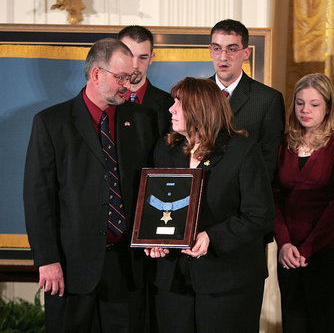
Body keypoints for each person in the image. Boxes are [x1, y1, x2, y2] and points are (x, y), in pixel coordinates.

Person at [23, 38, 160, 332]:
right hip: (71, 269)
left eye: (131, 77)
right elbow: (38, 198)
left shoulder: (142, 120)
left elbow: (152, 187)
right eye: (121, 77)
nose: (128, 84)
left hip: (128, 268)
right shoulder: (51, 123)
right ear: (96, 74)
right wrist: (47, 259)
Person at [146, 77, 274, 333]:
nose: (171, 109)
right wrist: (155, 239)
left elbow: (260, 216)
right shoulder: (166, 149)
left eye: (179, 103)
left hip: (228, 282)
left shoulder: (243, 151)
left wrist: (212, 237)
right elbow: (158, 208)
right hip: (174, 281)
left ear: (200, 108)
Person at [273, 73, 334, 333]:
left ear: (328, 107)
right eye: (300, 103)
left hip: (330, 253)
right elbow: (275, 195)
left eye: (314, 104)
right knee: (294, 324)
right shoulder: (285, 143)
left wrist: (307, 248)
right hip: (289, 254)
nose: (305, 110)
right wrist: (285, 243)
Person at [209, 19, 285, 180]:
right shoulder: (193, 95)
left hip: (243, 198)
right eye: (217, 49)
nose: (223, 57)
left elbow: (268, 162)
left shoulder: (268, 100)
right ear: (210, 51)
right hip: (199, 194)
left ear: (246, 53)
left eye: (232, 49)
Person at [118, 25, 173, 135]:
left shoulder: (170, 105)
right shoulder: (103, 102)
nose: (135, 65)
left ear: (151, 58)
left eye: (142, 58)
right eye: (129, 56)